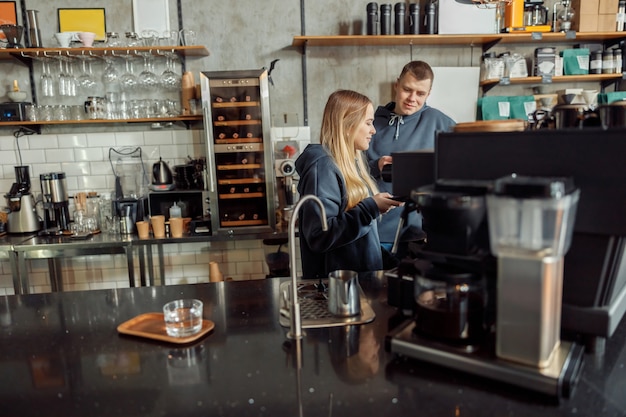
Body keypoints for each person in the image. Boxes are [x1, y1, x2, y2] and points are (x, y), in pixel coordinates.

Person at [295, 90, 401, 279]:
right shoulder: (323, 167)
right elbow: (319, 236)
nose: (373, 130)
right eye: (368, 123)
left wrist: (388, 263)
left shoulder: (351, 165)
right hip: (337, 291)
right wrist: (370, 208)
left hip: (357, 285)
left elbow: (358, 242)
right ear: (347, 125)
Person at [366, 61, 456, 254]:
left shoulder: (442, 124)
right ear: (397, 85)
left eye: (420, 93)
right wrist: (376, 166)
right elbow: (349, 168)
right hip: (374, 232)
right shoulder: (371, 123)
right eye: (407, 89)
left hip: (418, 235)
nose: (412, 98)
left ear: (428, 94)